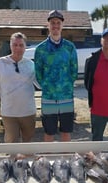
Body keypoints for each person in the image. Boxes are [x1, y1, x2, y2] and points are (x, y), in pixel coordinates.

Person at [34, 10, 78, 142]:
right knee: (49, 133)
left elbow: (74, 71)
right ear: (48, 25)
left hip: (66, 98)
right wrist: (49, 86)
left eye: (58, 22)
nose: (55, 25)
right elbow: (38, 73)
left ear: (62, 25)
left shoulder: (69, 47)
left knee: (66, 133)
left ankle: (66, 161)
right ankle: (47, 162)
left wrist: (64, 86)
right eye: (52, 22)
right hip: (48, 98)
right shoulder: (40, 49)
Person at [0, 32, 37, 143]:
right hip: (9, 112)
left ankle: (26, 159)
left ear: (25, 47)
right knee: (11, 142)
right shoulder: (0, 63)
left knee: (28, 141)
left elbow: (39, 83)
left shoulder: (30, 64)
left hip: (28, 111)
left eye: (21, 45)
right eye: (15, 45)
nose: (18, 48)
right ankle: (12, 159)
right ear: (10, 45)